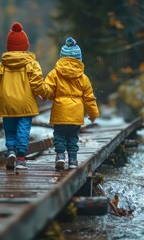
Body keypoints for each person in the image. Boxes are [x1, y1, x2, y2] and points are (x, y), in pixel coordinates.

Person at [0, 22, 52, 170]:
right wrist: (46, 94)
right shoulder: (32, 64)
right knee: (23, 130)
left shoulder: (1, 65)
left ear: (9, 47)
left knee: (9, 130)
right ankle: (21, 158)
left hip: (7, 103)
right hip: (25, 104)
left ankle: (11, 151)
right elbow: (36, 83)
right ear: (25, 46)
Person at [45, 37, 100, 170]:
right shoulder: (83, 77)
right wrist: (93, 114)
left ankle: (60, 156)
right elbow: (89, 98)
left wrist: (46, 95)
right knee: (73, 137)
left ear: (61, 58)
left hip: (60, 112)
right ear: (79, 59)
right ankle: (73, 160)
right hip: (76, 114)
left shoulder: (54, 74)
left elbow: (47, 89)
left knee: (59, 136)